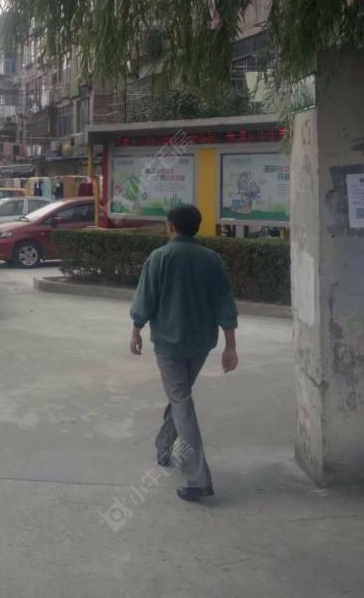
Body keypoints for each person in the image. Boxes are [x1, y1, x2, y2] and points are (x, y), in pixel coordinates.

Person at [128, 204, 238, 502]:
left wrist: (136, 330)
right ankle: (164, 446)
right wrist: (230, 345)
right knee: (180, 397)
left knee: (181, 401)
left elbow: (145, 299)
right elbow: (225, 303)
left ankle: (198, 478)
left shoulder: (160, 257)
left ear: (170, 226)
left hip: (169, 345)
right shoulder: (212, 259)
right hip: (201, 343)